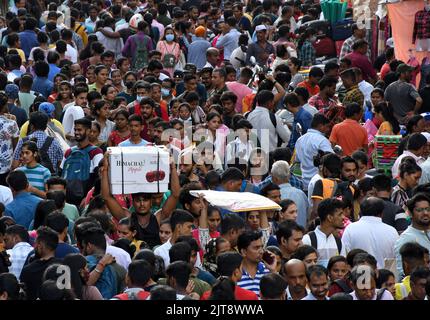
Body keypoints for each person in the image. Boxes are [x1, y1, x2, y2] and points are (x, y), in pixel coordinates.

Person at [342, 197, 399, 268]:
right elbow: (397, 258)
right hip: (384, 276)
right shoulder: (391, 231)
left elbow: (344, 255)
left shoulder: (351, 229)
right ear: (381, 213)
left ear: (361, 211)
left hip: (359, 275)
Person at [60, 117, 103, 207]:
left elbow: (99, 177)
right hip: (67, 200)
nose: (76, 132)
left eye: (79, 130)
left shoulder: (96, 152)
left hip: (86, 200)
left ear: (88, 131)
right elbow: (61, 174)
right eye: (75, 130)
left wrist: (88, 197)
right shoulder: (68, 152)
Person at [12, 111, 63, 176]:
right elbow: (60, 163)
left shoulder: (23, 141)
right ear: (45, 126)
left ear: (32, 126)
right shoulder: (54, 142)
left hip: (28, 179)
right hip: (49, 180)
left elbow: (15, 165)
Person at [395, 193, 430, 278]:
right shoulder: (406, 238)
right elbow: (402, 272)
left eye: (427, 209)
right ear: (410, 213)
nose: (425, 213)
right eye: (419, 210)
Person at [295, 114, 333, 192]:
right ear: (320, 126)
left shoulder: (300, 140)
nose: (328, 129)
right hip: (319, 183)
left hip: (304, 182)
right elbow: (331, 160)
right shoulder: (322, 140)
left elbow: (297, 160)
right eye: (327, 126)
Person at [20, 226, 60, 300]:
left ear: (40, 245)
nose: (35, 246)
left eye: (36, 243)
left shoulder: (28, 270)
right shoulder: (64, 266)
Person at [303, 198, 346, 267]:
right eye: (340, 214)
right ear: (329, 217)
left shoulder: (339, 242)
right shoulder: (308, 240)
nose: (343, 217)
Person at [236, 231, 277, 296]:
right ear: (243, 252)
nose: (261, 251)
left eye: (262, 247)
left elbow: (279, 295)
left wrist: (273, 271)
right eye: (256, 248)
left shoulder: (267, 270)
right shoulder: (235, 274)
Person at [271, 161, 308, 228]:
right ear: (289, 176)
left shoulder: (273, 197)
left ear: (274, 178)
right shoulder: (301, 194)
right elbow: (308, 215)